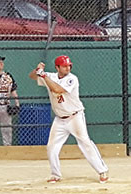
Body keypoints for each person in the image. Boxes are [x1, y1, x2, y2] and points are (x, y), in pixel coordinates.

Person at [29, 55, 109, 184]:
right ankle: (55, 174)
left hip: (75, 117)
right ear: (57, 67)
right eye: (64, 66)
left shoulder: (72, 79)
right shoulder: (51, 76)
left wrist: (43, 75)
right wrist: (37, 70)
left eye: (69, 65)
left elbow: (57, 89)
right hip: (60, 119)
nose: (68, 68)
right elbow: (32, 76)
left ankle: (102, 170)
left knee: (85, 143)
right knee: (51, 147)